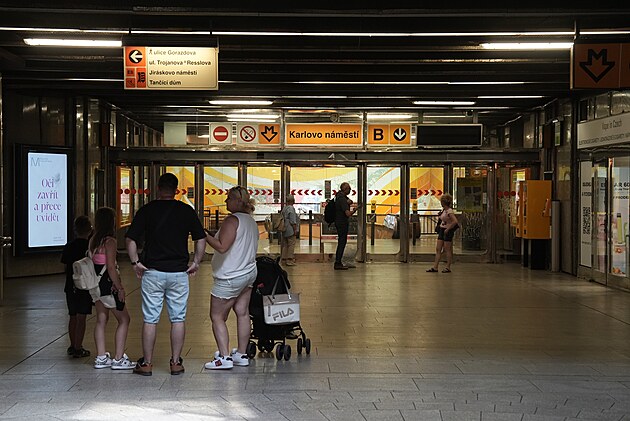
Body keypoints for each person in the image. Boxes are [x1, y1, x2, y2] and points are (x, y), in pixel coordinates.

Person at [125, 173, 206, 376]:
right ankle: (176, 362)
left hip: (152, 272)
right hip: (179, 273)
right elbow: (201, 238)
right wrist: (196, 262)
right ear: (176, 190)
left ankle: (147, 364)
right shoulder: (186, 211)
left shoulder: (147, 210)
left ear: (158, 188)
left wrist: (135, 262)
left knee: (150, 319)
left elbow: (130, 239)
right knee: (178, 318)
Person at [204, 186, 259, 370]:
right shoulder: (250, 221)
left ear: (238, 201)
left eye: (229, 198)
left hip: (230, 276)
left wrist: (204, 235)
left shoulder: (232, 220)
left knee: (217, 316)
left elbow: (222, 246)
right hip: (248, 273)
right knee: (242, 312)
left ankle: (224, 357)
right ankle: (241, 354)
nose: (226, 201)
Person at [89, 207, 134, 370]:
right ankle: (119, 358)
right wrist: (119, 287)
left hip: (95, 284)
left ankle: (101, 357)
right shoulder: (110, 242)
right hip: (108, 285)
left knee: (101, 319)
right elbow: (110, 267)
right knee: (124, 319)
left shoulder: (93, 240)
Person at [60, 215, 93, 358]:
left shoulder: (69, 246)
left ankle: (72, 345)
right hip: (85, 286)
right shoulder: (89, 246)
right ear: (89, 230)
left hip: (70, 285)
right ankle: (79, 347)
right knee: (82, 317)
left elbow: (65, 265)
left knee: (72, 315)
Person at [427, 193, 459, 273]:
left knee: (447, 249)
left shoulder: (449, 211)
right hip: (442, 229)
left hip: (447, 231)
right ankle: (435, 267)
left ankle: (448, 267)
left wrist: (448, 228)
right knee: (438, 248)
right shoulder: (444, 210)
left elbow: (455, 221)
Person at [334, 182, 360, 270]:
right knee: (342, 242)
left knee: (341, 241)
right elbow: (348, 213)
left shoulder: (339, 196)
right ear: (345, 189)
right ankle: (338, 262)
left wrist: (349, 202)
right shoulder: (342, 199)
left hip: (338, 221)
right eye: (349, 188)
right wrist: (355, 210)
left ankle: (339, 261)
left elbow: (350, 201)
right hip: (342, 223)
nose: (350, 190)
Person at [280, 195, 298, 266]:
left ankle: (283, 259)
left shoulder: (284, 208)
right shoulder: (291, 208)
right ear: (292, 201)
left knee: (285, 244)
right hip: (290, 229)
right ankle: (289, 259)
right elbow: (292, 221)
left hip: (284, 228)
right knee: (291, 244)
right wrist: (295, 229)